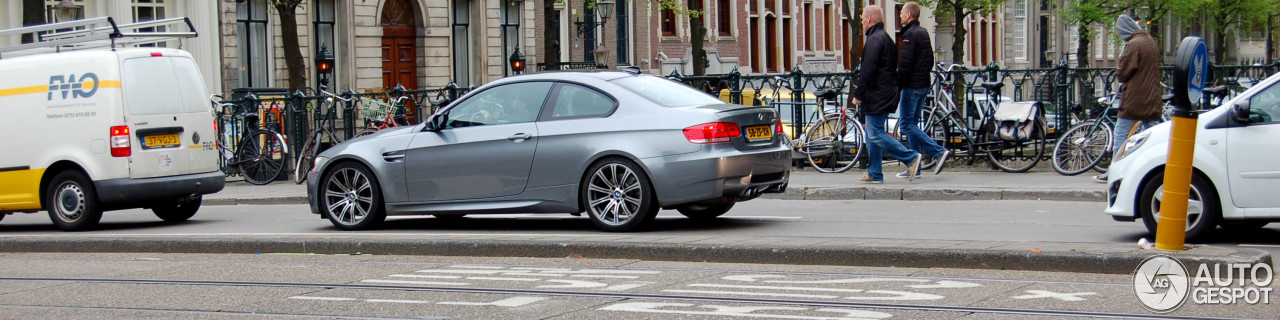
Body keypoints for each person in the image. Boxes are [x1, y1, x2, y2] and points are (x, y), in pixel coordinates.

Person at [853, 6, 922, 184]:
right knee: (871, 134)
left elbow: (867, 71)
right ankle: (874, 173)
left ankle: (911, 158)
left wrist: (858, 94)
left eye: (862, 19)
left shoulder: (874, 40)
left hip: (877, 94)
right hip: (886, 92)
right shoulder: (887, 38)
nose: (861, 22)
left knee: (875, 133)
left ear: (869, 20)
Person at [1095, 14, 1160, 183]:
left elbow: (1123, 72)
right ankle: (1154, 170)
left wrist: (1119, 69)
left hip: (1135, 99)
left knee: (1121, 135)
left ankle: (1115, 172)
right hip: (1152, 97)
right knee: (1153, 136)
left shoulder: (1134, 44)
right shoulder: (1150, 42)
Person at [895, 2, 950, 179]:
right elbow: (929, 61)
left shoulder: (910, 35)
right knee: (913, 124)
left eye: (902, 12)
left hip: (912, 86)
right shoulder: (923, 32)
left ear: (909, 15)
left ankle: (938, 151)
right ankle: (914, 166)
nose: (900, 15)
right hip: (924, 83)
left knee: (906, 124)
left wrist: (898, 85)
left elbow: (905, 64)